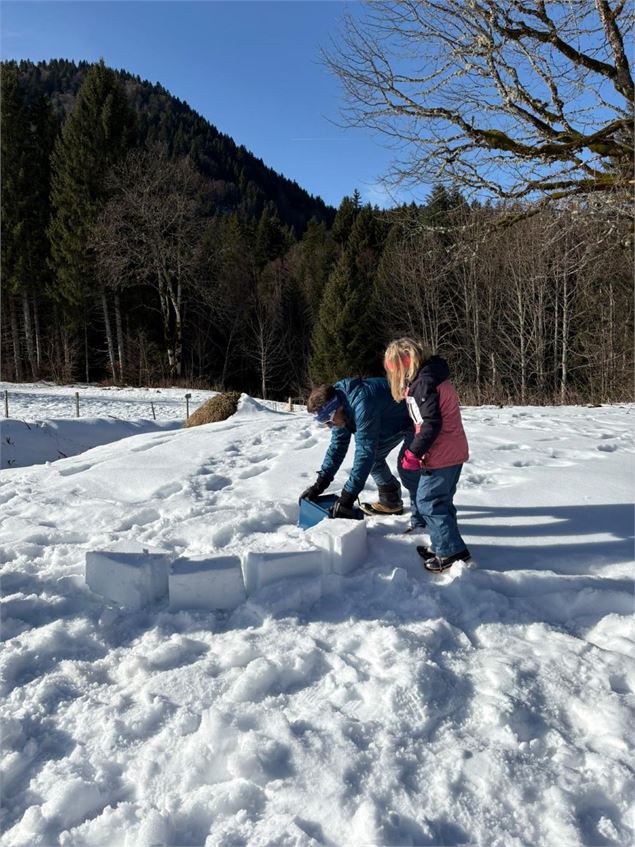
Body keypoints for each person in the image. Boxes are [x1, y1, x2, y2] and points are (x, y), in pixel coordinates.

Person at [384, 337, 470, 572]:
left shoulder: (424, 383)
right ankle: (445, 544)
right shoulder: (432, 376)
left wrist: (413, 453)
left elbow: (431, 423)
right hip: (452, 450)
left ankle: (450, 552)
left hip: (441, 453)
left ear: (404, 365)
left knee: (428, 502)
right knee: (441, 501)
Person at [300, 378, 416, 519]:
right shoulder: (340, 406)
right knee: (373, 459)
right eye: (324, 422)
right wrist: (320, 484)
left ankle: (425, 513)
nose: (329, 426)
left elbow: (365, 452)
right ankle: (391, 500)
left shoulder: (362, 404)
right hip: (385, 420)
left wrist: (348, 496)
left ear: (338, 408)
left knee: (408, 466)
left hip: (411, 418)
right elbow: (338, 446)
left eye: (329, 420)